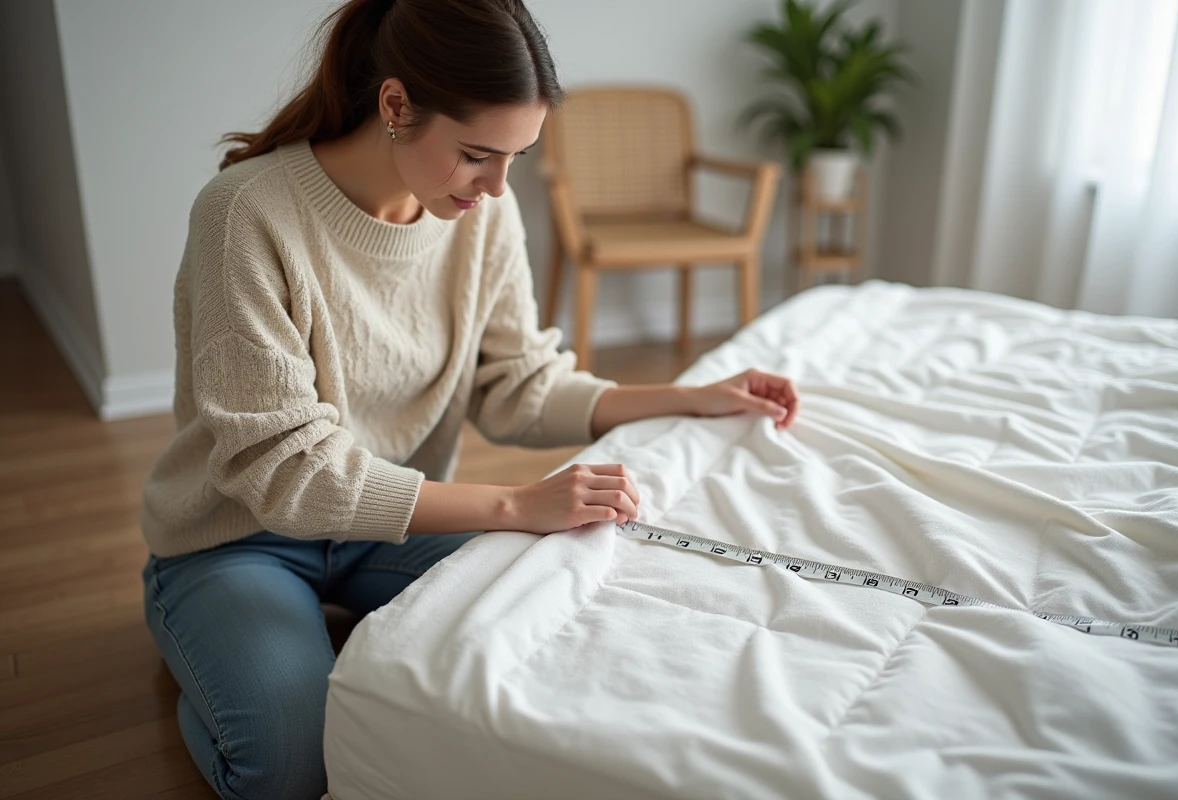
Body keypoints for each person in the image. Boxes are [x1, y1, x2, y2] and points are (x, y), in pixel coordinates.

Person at [139, 0, 801, 797]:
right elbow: (287, 476)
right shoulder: (246, 213)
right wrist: (517, 504)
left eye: (517, 157)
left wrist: (690, 397)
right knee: (291, 762)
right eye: (478, 155)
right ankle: (206, 668)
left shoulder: (482, 214)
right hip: (241, 536)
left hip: (393, 523)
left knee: (553, 628)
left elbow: (519, 386)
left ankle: (298, 644)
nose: (496, 186)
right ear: (395, 106)